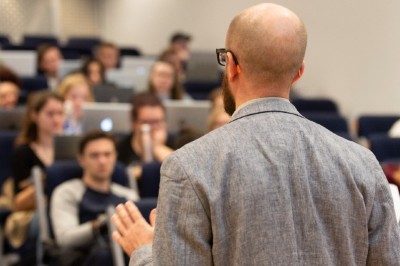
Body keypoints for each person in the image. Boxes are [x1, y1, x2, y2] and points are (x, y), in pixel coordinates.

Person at [112, 3, 400, 266]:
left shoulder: (189, 166)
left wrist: (144, 252)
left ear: (232, 65)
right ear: (299, 71)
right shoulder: (363, 163)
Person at [50, 131, 139, 266]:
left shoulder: (128, 195)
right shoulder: (67, 192)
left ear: (115, 157)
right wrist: (100, 225)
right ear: (81, 160)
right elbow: (65, 239)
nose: (102, 161)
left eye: (107, 154)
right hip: (86, 258)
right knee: (104, 255)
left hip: (125, 252)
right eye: (94, 156)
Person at [7, 90, 64, 265]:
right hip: (34, 213)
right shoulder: (23, 152)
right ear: (34, 115)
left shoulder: (71, 148)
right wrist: (46, 181)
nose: (56, 119)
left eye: (60, 113)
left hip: (65, 206)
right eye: (50, 114)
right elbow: (19, 202)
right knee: (48, 216)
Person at [117, 92, 174, 166]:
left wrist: (157, 146)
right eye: (147, 122)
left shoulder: (176, 144)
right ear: (134, 123)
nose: (153, 128)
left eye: (157, 122)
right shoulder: (120, 149)